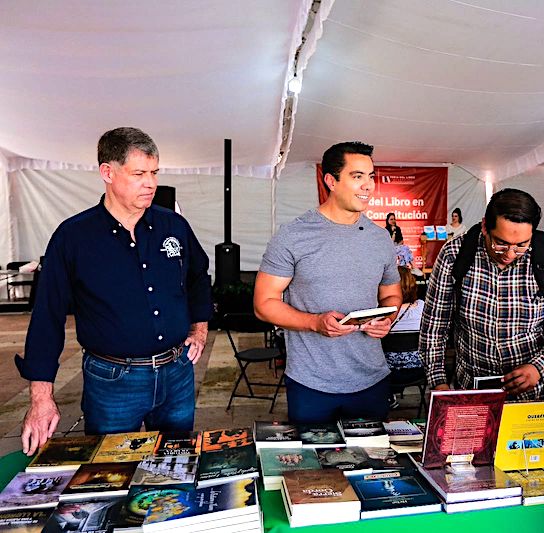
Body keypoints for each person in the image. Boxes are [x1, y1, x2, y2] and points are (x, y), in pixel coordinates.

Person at [17, 127, 212, 455]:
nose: (150, 183)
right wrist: (41, 398)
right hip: (112, 382)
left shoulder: (173, 226)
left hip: (177, 374)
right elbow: (47, 317)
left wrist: (200, 328)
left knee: (176, 467)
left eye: (154, 173)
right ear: (107, 172)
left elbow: (198, 276)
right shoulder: (74, 237)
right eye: (138, 174)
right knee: (110, 469)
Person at [254, 141, 402, 423]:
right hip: (311, 384)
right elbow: (263, 304)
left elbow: (391, 296)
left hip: (372, 380)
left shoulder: (380, 238)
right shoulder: (293, 235)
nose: (368, 186)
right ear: (331, 181)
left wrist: (388, 318)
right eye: (357, 176)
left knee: (373, 464)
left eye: (371, 176)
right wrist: (314, 322)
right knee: (314, 467)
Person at [420, 188, 544, 401]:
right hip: (473, 391)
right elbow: (434, 326)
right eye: (501, 243)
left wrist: (539, 367)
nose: (509, 255)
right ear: (484, 227)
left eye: (521, 246)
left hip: (534, 396)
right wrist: (438, 381)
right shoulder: (455, 255)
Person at [385, 267, 425, 408]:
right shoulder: (424, 309)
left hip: (388, 372)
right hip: (419, 370)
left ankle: (389, 397)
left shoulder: (382, 313)